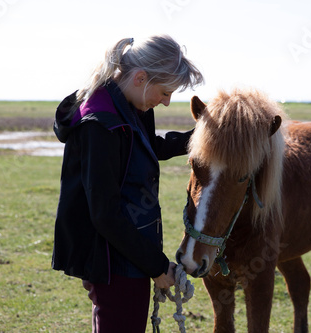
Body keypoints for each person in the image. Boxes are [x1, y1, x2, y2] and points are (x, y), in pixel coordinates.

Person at [51, 34, 204, 332]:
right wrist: (158, 267)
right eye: (164, 92)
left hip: (128, 253)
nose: (166, 102)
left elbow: (150, 146)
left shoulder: (127, 106)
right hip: (113, 261)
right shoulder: (101, 124)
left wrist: (205, 136)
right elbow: (105, 215)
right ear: (141, 78)